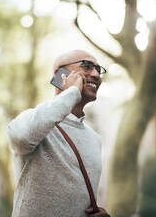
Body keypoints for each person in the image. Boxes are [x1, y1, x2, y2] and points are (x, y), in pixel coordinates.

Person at [6, 50, 110, 217]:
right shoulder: (35, 121)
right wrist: (72, 93)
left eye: (99, 69)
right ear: (60, 74)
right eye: (87, 66)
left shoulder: (95, 139)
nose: (96, 75)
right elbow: (19, 137)